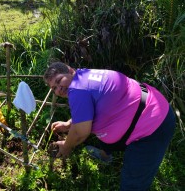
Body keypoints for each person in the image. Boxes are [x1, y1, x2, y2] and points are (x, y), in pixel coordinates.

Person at [43, 62, 176, 190]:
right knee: (102, 127)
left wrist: (66, 147)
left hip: (153, 126)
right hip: (146, 106)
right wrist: (69, 124)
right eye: (53, 88)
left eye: (59, 80)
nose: (58, 88)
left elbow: (80, 133)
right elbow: (89, 108)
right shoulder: (83, 76)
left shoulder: (77, 90)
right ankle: (105, 156)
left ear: (70, 70)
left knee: (133, 182)